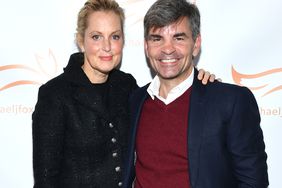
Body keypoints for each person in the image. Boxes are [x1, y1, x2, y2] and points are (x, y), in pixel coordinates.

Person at [32, 0, 215, 187]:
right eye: (96, 37)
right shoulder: (55, 95)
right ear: (81, 41)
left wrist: (199, 81)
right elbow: (46, 179)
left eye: (115, 37)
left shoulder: (126, 86)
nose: (107, 47)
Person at [123, 0, 269, 188]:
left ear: (196, 43)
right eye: (157, 38)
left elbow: (253, 182)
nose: (168, 49)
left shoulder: (230, 101)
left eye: (179, 38)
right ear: (146, 46)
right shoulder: (135, 100)